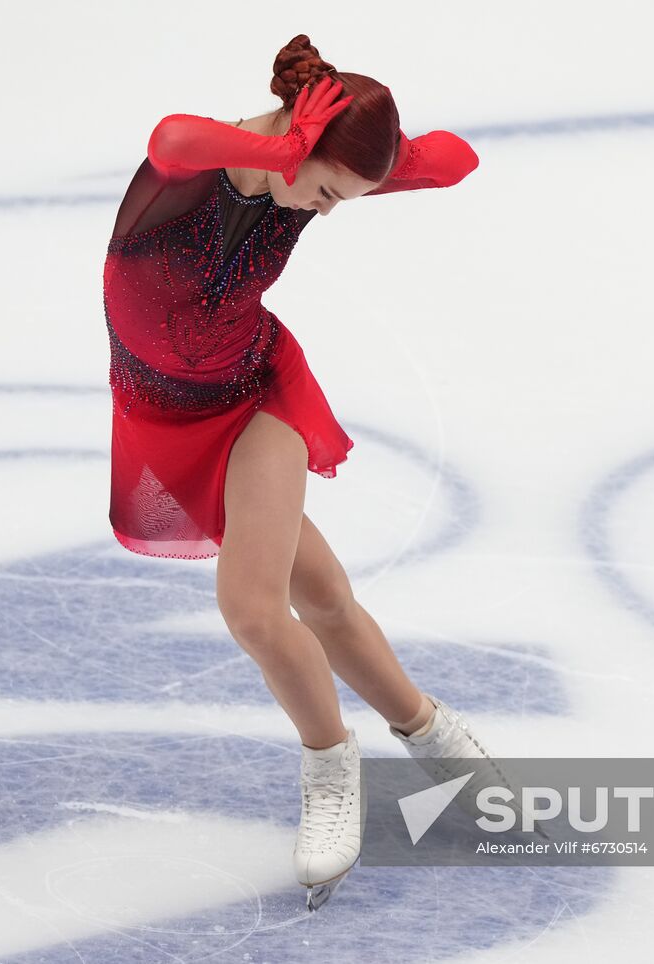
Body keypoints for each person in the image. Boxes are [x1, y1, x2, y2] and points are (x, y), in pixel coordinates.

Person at [103, 34, 515, 910]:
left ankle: (332, 767)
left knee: (254, 610)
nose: (326, 210)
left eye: (342, 201)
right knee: (321, 595)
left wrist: (367, 163)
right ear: (296, 140)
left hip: (255, 395)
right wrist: (286, 148)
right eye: (327, 191)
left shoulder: (315, 177)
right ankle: (433, 731)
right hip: (162, 412)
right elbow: (171, 135)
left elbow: (457, 158)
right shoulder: (198, 170)